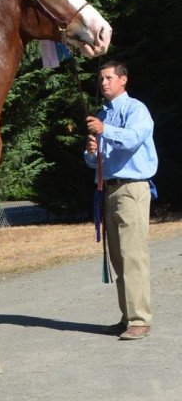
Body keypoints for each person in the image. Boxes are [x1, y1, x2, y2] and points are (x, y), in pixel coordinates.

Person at [84, 60, 158, 340]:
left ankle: (140, 319)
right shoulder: (103, 114)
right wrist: (92, 152)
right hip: (108, 189)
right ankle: (128, 317)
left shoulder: (135, 109)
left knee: (133, 255)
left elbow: (134, 138)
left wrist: (105, 131)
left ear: (123, 80)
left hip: (132, 189)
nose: (103, 83)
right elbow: (95, 161)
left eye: (109, 78)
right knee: (117, 257)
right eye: (101, 79)